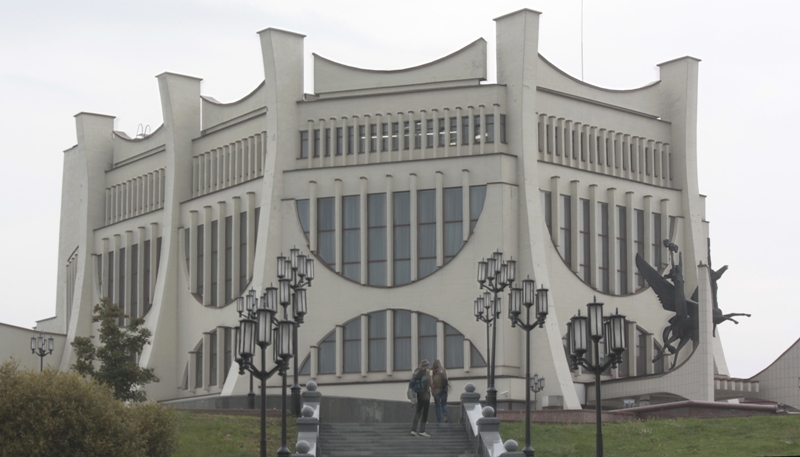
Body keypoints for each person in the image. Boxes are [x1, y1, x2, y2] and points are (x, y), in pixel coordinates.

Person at [410, 359, 431, 437]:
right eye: (428, 365)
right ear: (426, 366)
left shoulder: (416, 372)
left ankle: (413, 430)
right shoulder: (426, 373)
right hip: (425, 394)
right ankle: (422, 430)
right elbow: (429, 383)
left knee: (418, 412)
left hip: (418, 394)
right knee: (425, 413)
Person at [431, 359, 449, 423]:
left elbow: (432, 382)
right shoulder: (443, 370)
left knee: (437, 406)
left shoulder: (434, 371)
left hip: (437, 390)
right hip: (444, 389)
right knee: (444, 404)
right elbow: (446, 380)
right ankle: (445, 414)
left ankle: (439, 420)